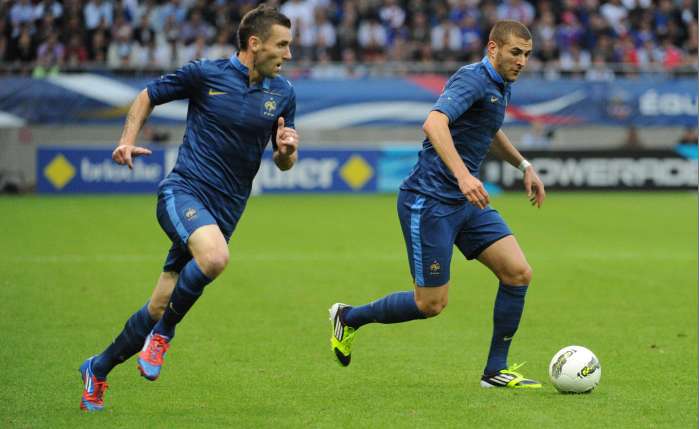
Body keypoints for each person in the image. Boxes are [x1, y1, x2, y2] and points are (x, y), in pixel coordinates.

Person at [79, 4, 299, 411]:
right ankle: (163, 336)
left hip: (226, 211)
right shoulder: (205, 74)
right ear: (255, 44)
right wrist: (127, 138)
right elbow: (148, 94)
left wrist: (286, 153)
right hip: (183, 193)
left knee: (158, 303)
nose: (288, 54)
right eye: (281, 45)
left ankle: (99, 367)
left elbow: (283, 163)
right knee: (215, 258)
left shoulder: (283, 94)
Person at [330, 20, 546, 389]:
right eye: (515, 52)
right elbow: (434, 123)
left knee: (518, 273)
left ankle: (495, 370)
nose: (522, 61)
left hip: (466, 203)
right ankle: (349, 318)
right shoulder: (472, 79)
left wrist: (523, 165)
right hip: (429, 202)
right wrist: (464, 176)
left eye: (527, 54)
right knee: (430, 304)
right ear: (492, 48)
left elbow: (488, 127)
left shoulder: (500, 85)